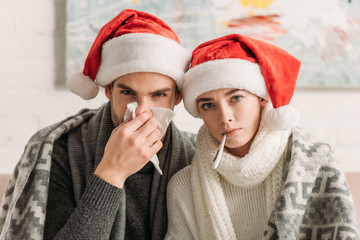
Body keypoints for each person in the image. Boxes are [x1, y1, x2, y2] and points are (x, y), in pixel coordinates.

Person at [0, 9, 196, 240]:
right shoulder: (58, 151)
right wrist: (112, 172)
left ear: (177, 98)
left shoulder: (195, 158)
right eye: (128, 93)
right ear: (109, 91)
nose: (142, 112)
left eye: (158, 95)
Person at [165, 34, 360, 239]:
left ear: (262, 98)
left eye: (236, 98)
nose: (224, 117)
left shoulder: (312, 163)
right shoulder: (183, 186)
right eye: (208, 105)